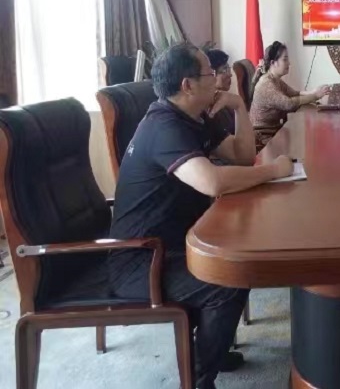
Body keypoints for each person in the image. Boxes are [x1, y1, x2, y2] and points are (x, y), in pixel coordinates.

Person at [108, 43, 294, 389]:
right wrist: (274, 172)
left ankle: (213, 349)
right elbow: (211, 181)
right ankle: (197, 378)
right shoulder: (164, 126)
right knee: (227, 280)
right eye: (211, 73)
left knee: (236, 265)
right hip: (142, 260)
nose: (219, 78)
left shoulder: (193, 117)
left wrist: (239, 105)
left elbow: (241, 157)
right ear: (187, 85)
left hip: (175, 245)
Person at [250, 41, 331, 147]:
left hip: (274, 131)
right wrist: (315, 96)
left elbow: (294, 93)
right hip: (263, 138)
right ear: (273, 62)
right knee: (306, 139)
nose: (289, 63)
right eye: (285, 59)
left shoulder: (275, 79)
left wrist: (314, 92)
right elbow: (289, 104)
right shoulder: (266, 84)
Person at [203, 48, 235, 135]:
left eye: (228, 69)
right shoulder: (211, 108)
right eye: (224, 70)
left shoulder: (226, 99)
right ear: (211, 74)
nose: (230, 74)